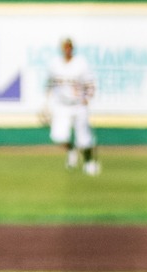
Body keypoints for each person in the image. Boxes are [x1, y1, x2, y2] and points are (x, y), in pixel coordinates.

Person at [44, 38, 98, 176]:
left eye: (69, 47)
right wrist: (47, 103)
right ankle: (71, 150)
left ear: (72, 48)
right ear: (62, 49)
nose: (67, 49)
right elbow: (49, 83)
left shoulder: (80, 63)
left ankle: (89, 162)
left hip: (78, 104)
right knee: (58, 136)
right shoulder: (55, 64)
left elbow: (90, 82)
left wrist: (87, 98)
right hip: (62, 105)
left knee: (84, 138)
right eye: (65, 47)